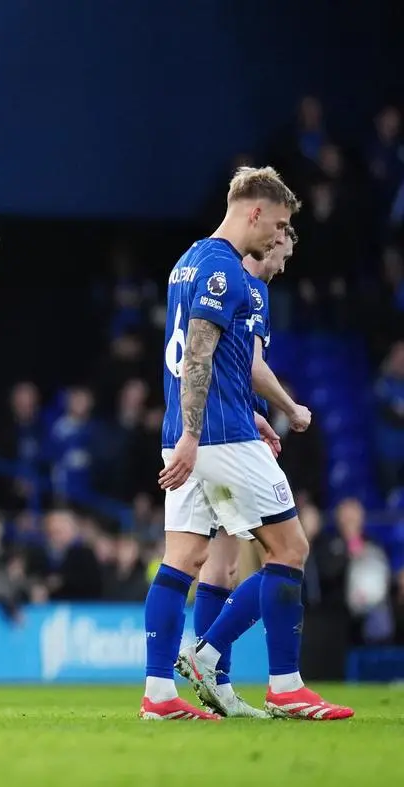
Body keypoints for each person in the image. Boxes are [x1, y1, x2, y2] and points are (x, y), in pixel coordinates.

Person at [143, 167, 352, 721]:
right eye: (279, 224)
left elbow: (220, 360)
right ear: (254, 211)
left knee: (183, 559)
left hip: (195, 433)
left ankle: (159, 694)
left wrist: (241, 415)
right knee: (291, 549)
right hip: (216, 436)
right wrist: (198, 432)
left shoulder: (188, 261)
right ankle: (283, 684)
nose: (279, 239)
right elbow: (197, 357)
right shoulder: (225, 272)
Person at [175, 226, 311, 718]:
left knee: (223, 565)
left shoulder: (213, 271)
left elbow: (232, 370)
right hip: (223, 439)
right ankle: (217, 658)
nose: (282, 265)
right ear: (271, 239)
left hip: (216, 430)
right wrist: (289, 409)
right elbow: (249, 366)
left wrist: (253, 412)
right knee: (288, 549)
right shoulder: (246, 286)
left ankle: (219, 687)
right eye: (284, 252)